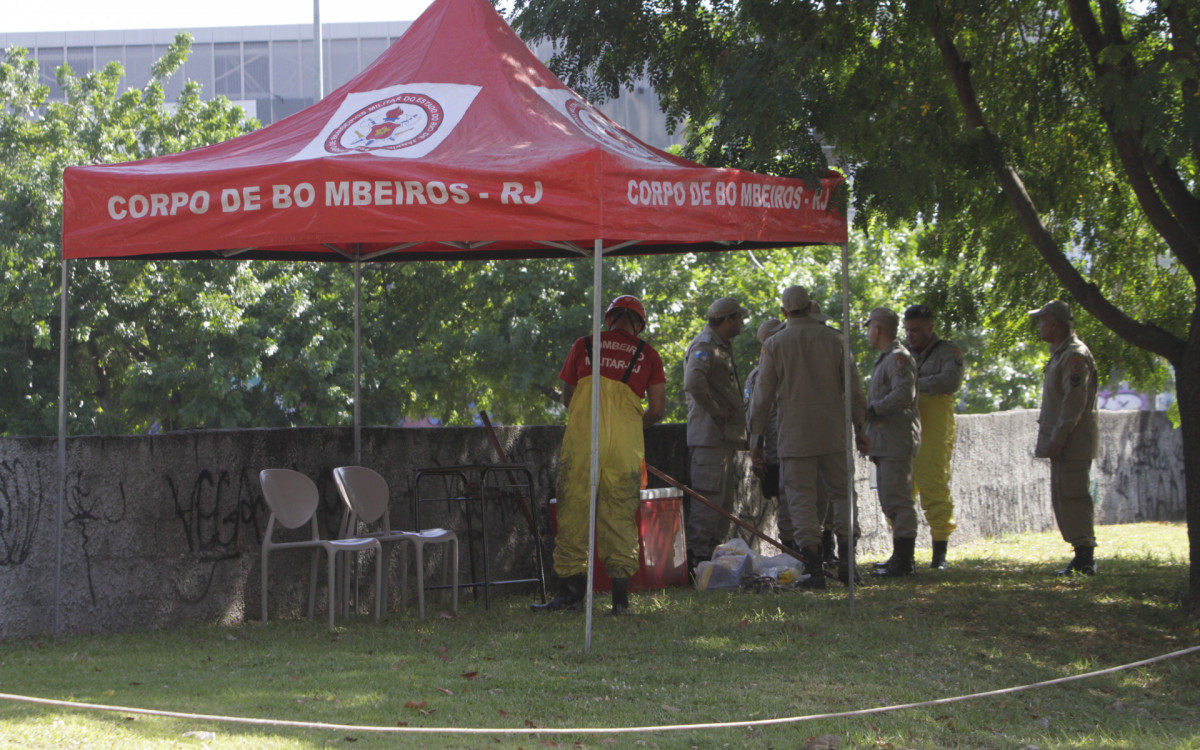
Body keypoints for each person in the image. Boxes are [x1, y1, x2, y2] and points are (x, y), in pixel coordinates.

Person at [533, 295, 666, 614]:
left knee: (573, 511)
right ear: (639, 324)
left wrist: (591, 421)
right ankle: (620, 602)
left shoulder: (584, 345)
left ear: (609, 319)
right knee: (620, 514)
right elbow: (658, 409)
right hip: (624, 445)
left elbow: (569, 398)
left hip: (583, 438)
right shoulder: (648, 354)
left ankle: (570, 597)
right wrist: (629, 426)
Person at [747, 285, 868, 587]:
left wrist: (756, 440)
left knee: (801, 497)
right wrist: (861, 428)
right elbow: (854, 389)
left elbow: (761, 398)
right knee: (842, 493)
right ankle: (847, 562)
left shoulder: (775, 344)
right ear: (811, 307)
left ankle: (814, 567)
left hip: (795, 433)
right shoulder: (836, 340)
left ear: (784, 311)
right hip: (833, 431)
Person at [1029, 299, 1099, 576]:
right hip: (1064, 439)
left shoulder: (1074, 356)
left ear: (1054, 323)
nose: (1039, 326)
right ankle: (1080, 554)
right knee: (1064, 497)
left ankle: (1085, 557)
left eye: (1042, 321)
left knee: (1074, 496)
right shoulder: (1060, 354)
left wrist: (1059, 438)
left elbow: (1073, 402)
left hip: (1073, 440)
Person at [684, 296, 749, 571]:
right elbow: (693, 382)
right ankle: (697, 560)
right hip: (709, 437)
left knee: (721, 504)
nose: (742, 323)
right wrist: (716, 410)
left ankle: (709, 560)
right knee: (707, 501)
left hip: (722, 438)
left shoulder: (720, 346)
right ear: (727, 320)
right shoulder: (705, 345)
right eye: (739, 318)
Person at [903, 304, 964, 570]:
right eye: (908, 330)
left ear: (930, 327)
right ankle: (903, 552)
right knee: (901, 489)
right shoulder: (902, 353)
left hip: (935, 428)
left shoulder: (947, 352)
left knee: (934, 485)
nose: (911, 335)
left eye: (916, 330)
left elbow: (950, 381)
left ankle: (940, 552)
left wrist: (913, 385)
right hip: (906, 426)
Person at [863, 307, 922, 578]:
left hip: (896, 439)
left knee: (899, 500)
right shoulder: (886, 359)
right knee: (890, 500)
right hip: (885, 440)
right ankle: (899, 555)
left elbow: (903, 394)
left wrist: (874, 409)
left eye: (869, 328)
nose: (868, 333)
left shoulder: (898, 358)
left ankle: (905, 560)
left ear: (877, 329)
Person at [744, 319, 793, 550]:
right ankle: (792, 550)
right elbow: (755, 413)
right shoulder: (760, 374)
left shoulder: (790, 367)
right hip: (774, 449)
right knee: (786, 501)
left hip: (791, 444)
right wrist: (757, 448)